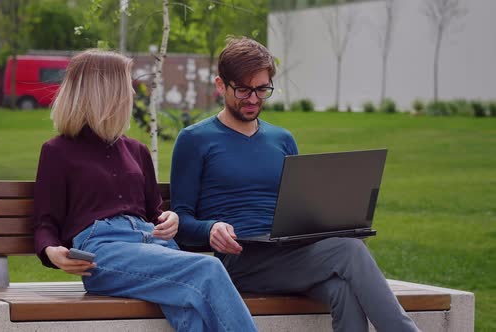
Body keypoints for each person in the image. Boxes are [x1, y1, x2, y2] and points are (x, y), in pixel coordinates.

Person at [170, 37, 420, 332]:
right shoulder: (195, 139)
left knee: (342, 289)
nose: (253, 99)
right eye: (243, 89)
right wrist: (210, 229)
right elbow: (181, 222)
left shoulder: (282, 139)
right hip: (242, 262)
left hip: (290, 253)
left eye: (262, 89)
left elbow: (299, 207)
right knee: (349, 251)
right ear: (220, 85)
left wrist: (330, 221)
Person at [32, 49, 257, 332]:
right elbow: (45, 222)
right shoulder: (58, 152)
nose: (132, 94)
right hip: (104, 252)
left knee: (191, 312)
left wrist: (170, 219)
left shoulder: (136, 151)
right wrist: (52, 251)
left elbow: (155, 213)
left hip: (156, 247)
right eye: (127, 87)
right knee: (208, 269)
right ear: (104, 93)